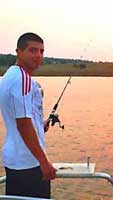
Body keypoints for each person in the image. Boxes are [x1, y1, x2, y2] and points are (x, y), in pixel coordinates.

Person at [0, 32, 56, 198]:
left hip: (14, 160)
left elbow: (19, 119)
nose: (38, 56)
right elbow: (23, 124)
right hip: (29, 163)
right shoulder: (23, 79)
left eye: (41, 51)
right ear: (19, 52)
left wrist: (40, 126)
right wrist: (44, 162)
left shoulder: (9, 76)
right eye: (33, 50)